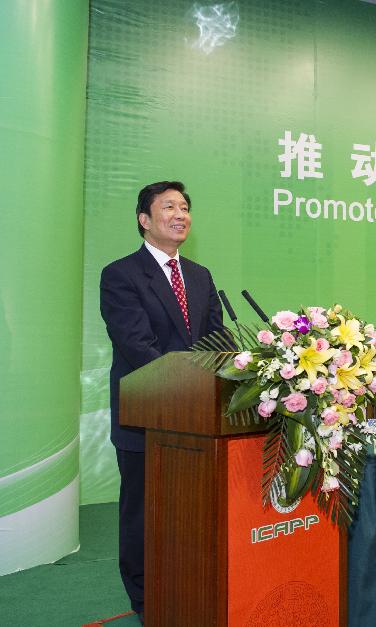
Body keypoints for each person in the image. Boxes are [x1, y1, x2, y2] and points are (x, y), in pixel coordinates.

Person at [100, 181, 225, 622]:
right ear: (144, 219)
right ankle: (145, 597)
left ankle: (187, 583)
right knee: (143, 512)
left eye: (186, 207)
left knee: (191, 511)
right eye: (168, 206)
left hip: (198, 420)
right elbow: (137, 345)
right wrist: (186, 386)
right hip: (146, 416)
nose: (180, 214)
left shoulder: (200, 275)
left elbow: (216, 340)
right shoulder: (121, 275)